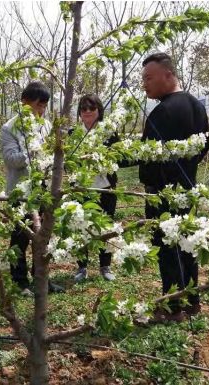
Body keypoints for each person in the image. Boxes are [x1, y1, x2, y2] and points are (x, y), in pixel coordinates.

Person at [139, 53, 209, 322]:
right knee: (187, 246)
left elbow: (146, 153)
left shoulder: (163, 111)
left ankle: (171, 309)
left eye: (148, 78)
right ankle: (192, 302)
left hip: (162, 194)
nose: (144, 84)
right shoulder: (197, 106)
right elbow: (205, 145)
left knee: (168, 249)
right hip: (188, 188)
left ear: (168, 75)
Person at [0, 81, 64, 296]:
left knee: (44, 236)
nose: (40, 110)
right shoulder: (10, 127)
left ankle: (42, 279)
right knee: (20, 236)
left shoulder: (46, 125)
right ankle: (20, 282)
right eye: (38, 105)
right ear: (24, 102)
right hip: (21, 191)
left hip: (44, 190)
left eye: (44, 106)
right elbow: (11, 160)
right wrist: (33, 152)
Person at [71, 94, 117, 283]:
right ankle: (82, 267)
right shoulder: (74, 133)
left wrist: (102, 159)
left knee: (105, 227)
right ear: (80, 113)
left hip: (105, 187)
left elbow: (119, 158)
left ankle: (105, 266)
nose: (87, 112)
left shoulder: (109, 132)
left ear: (99, 110)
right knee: (80, 226)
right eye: (83, 109)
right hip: (82, 188)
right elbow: (68, 162)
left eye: (91, 108)